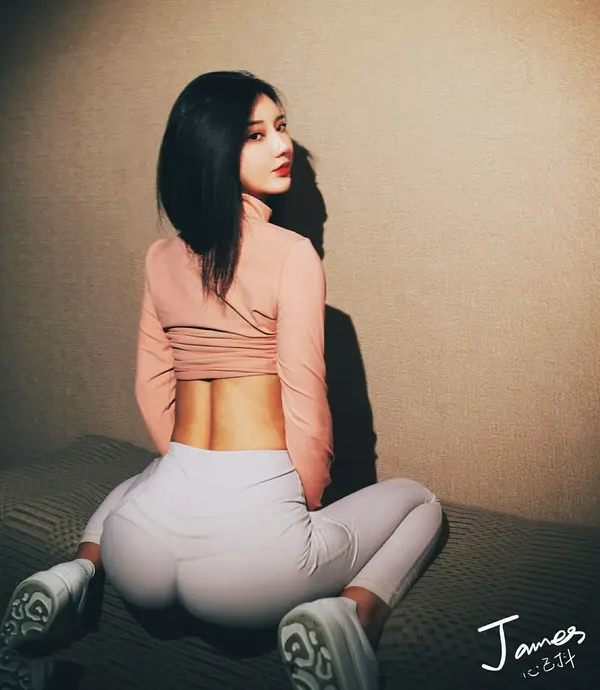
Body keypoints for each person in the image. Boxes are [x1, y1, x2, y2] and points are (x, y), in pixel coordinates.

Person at [0, 71, 443, 690]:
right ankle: (353, 617)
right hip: (252, 566)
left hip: (137, 553)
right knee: (420, 500)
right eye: (255, 135)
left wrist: (191, 469)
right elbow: (306, 398)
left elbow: (152, 382)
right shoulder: (292, 253)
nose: (282, 145)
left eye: (281, 127)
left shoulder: (159, 257)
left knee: (145, 478)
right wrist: (301, 505)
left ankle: (76, 572)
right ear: (212, 150)